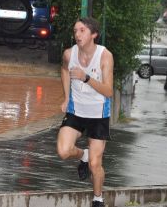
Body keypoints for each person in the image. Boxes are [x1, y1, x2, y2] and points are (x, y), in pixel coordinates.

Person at [56, 17, 114, 207]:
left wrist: (86, 77)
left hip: (98, 114)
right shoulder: (68, 54)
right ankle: (83, 155)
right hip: (76, 110)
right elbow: (64, 70)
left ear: (94, 34)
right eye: (75, 31)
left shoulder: (105, 56)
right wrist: (66, 97)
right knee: (64, 151)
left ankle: (98, 199)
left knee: (95, 164)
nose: (77, 35)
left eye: (82, 30)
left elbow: (109, 91)